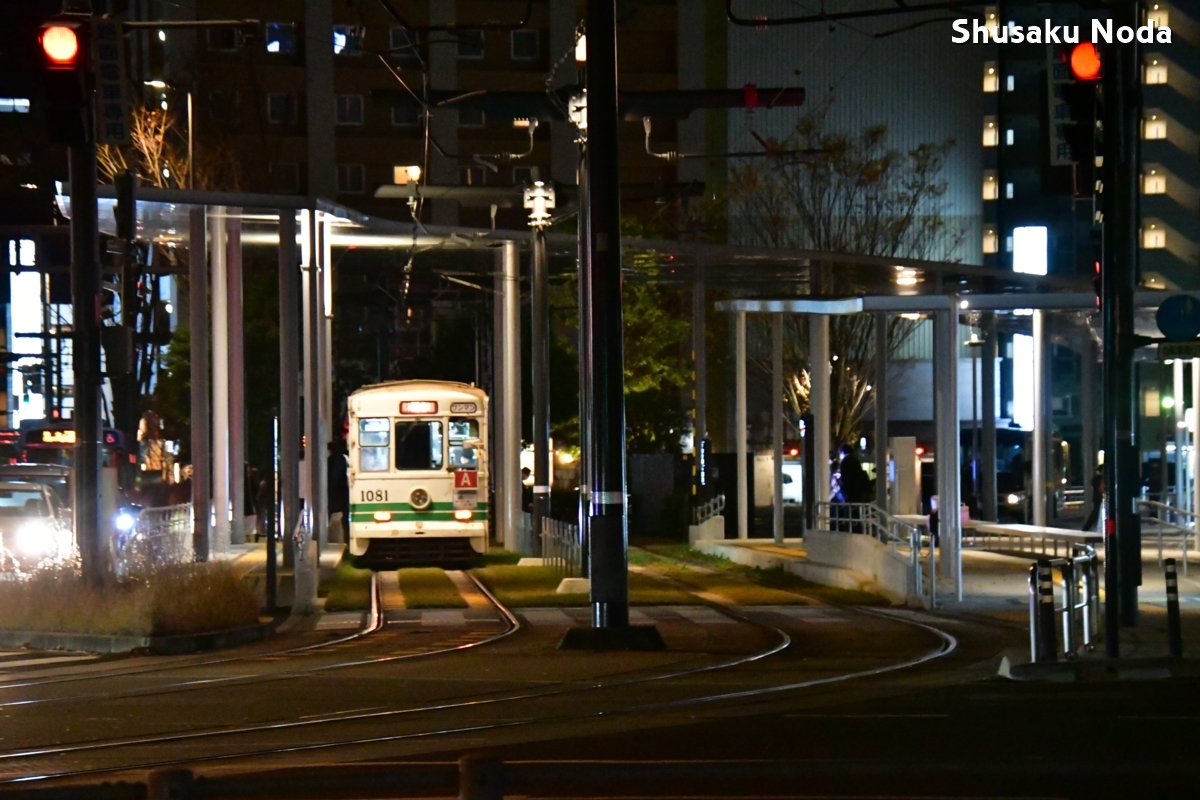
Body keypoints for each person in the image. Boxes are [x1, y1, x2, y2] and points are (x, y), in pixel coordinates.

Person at [1081, 466, 1104, 532]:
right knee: (1095, 514)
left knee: (1094, 515)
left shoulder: (1096, 479)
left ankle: (1085, 529)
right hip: (1099, 499)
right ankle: (1085, 529)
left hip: (1097, 499)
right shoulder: (1100, 479)